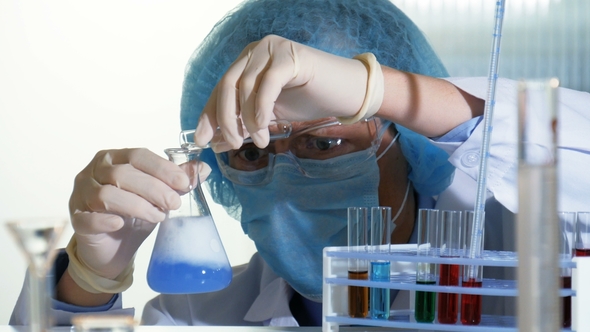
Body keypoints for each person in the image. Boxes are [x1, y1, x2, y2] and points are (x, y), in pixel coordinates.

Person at [10, 0, 590, 327]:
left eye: (323, 143)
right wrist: (88, 280)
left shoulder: (522, 258)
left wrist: (375, 86)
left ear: (406, 141)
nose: (283, 177)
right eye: (251, 151)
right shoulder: (199, 313)